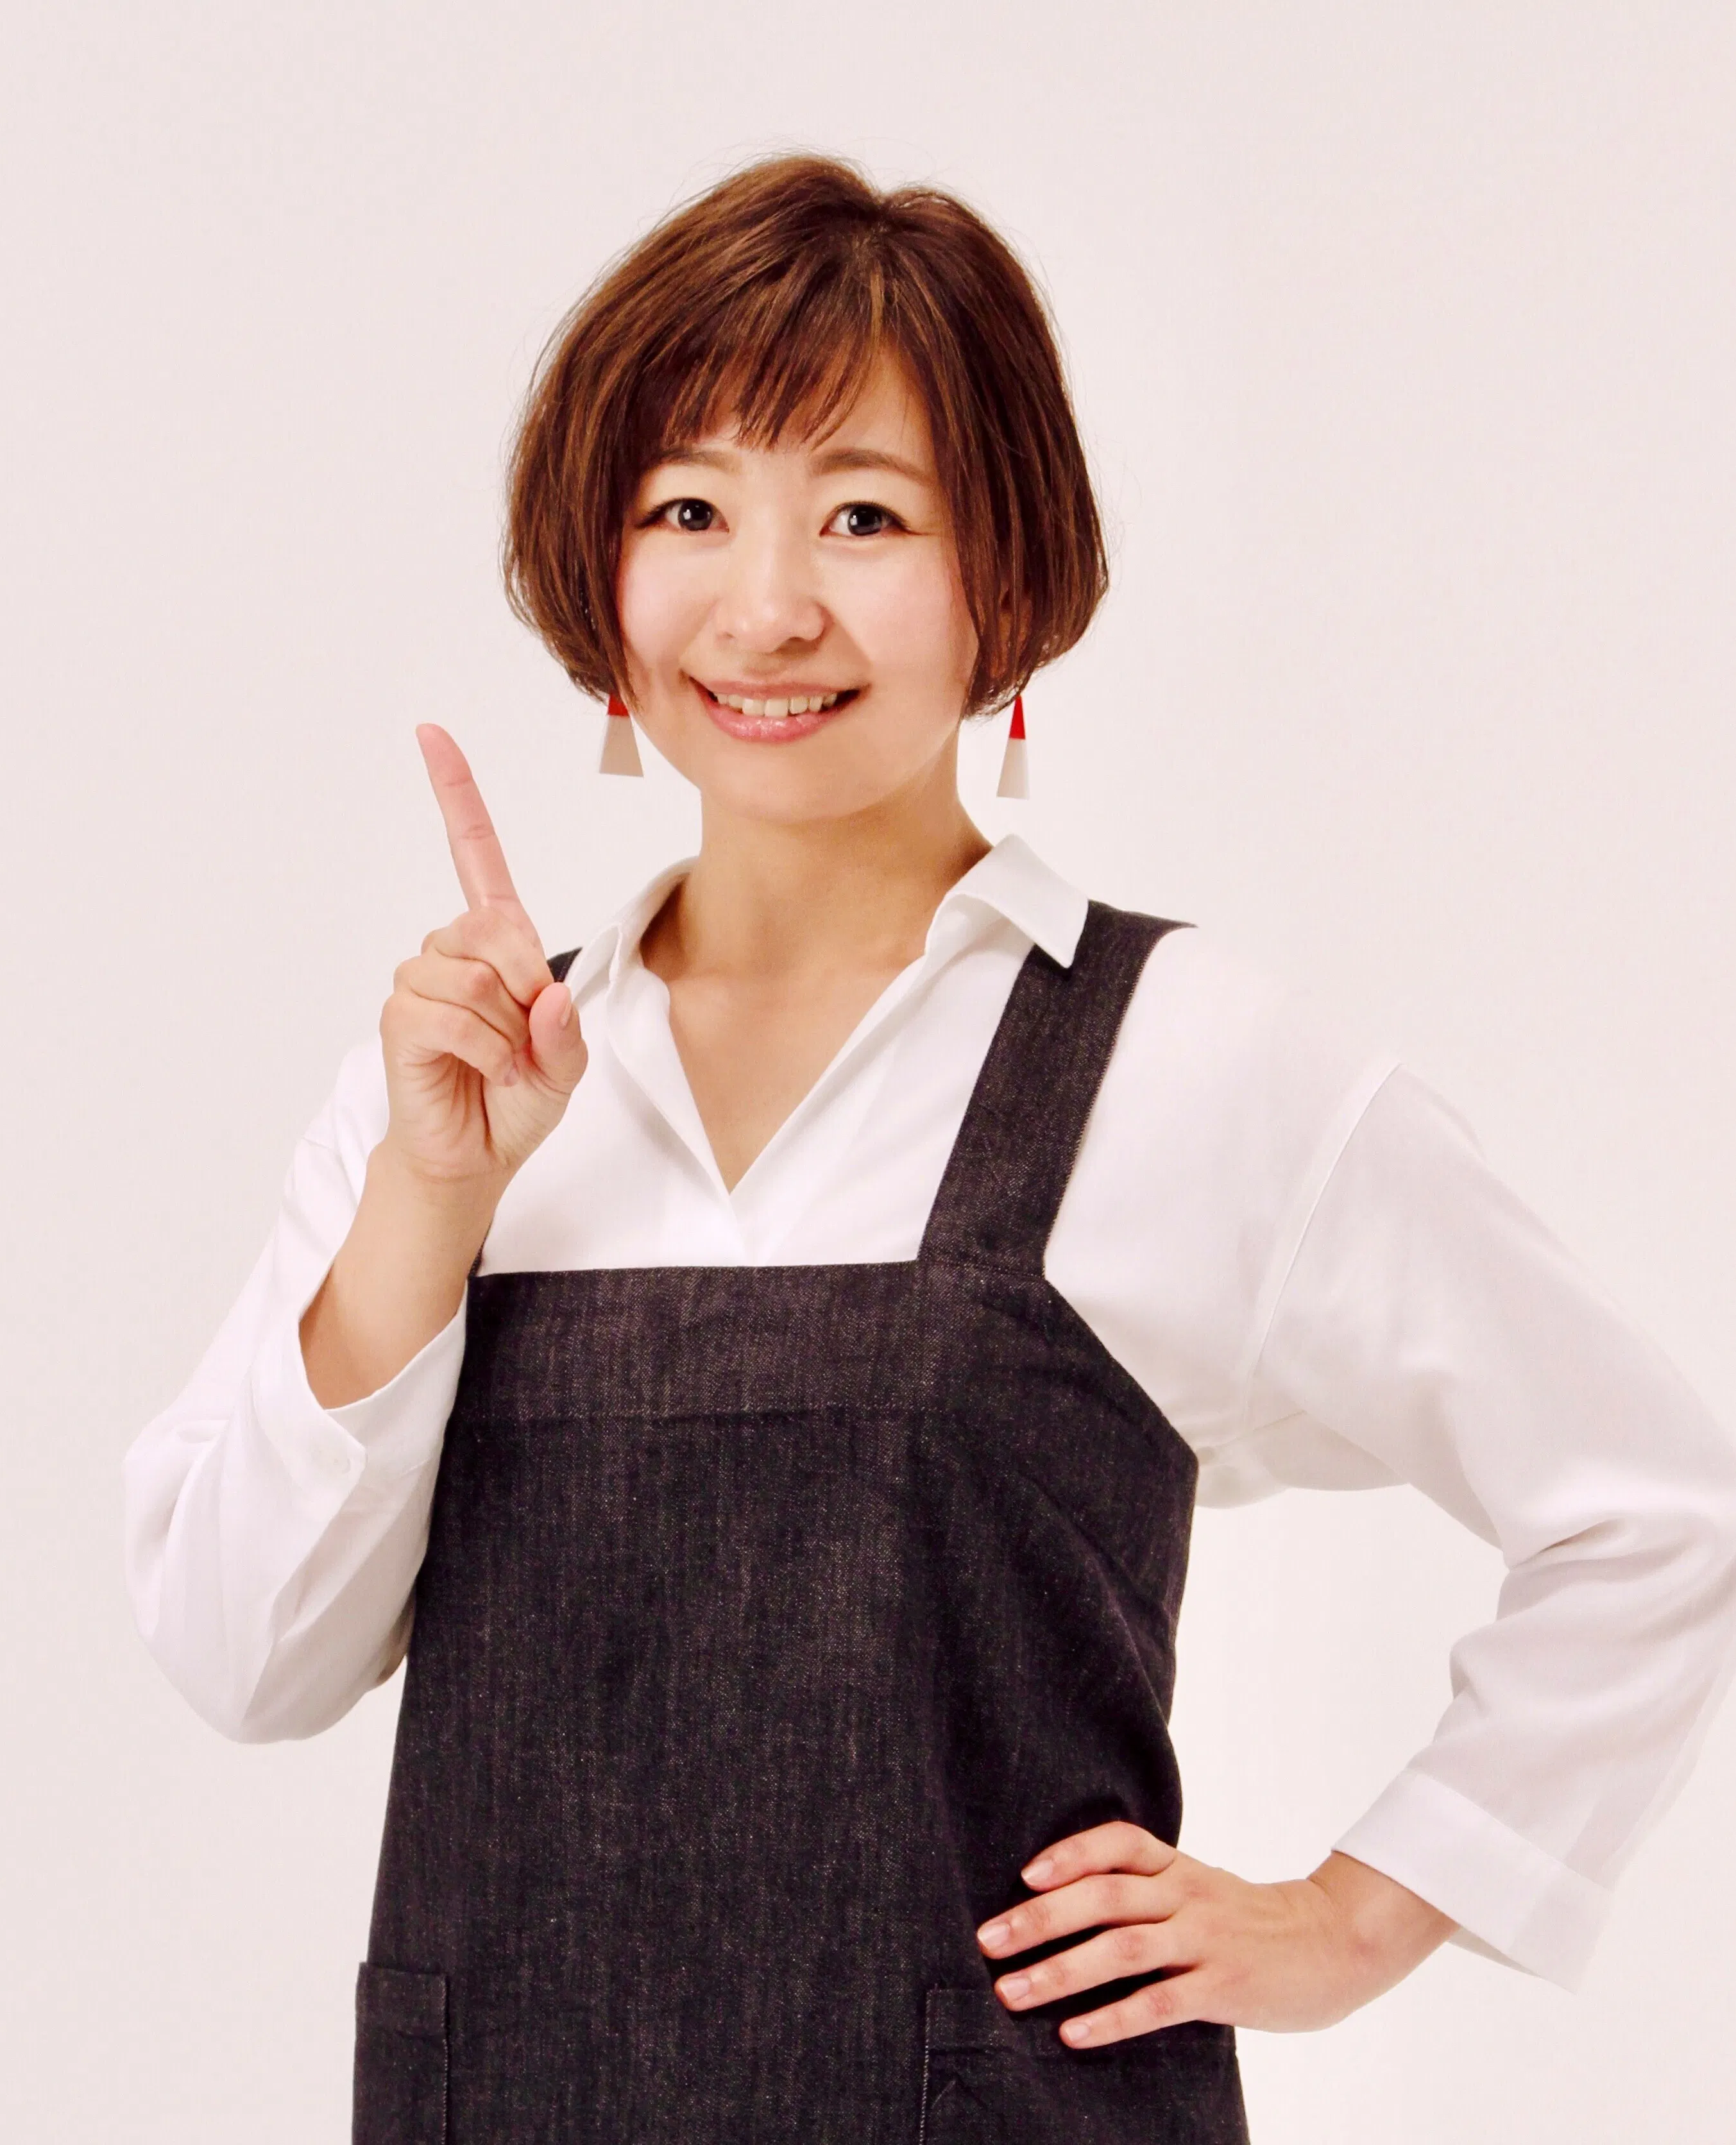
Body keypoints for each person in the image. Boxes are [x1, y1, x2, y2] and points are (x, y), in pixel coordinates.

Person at [123, 155, 1736, 2143]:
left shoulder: (1184, 1060)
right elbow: (243, 1661)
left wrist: (1353, 1918)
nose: (768, 606)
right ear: (599, 573)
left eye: (865, 516)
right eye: (688, 509)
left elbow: (1653, 1507)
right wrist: (430, 1202)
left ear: (1006, 580)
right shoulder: (459, 1084)